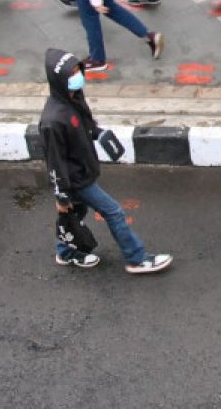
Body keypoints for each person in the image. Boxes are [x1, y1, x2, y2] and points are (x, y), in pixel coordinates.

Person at [40, 47, 172, 274]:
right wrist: (61, 196)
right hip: (76, 180)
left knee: (76, 213)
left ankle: (66, 252)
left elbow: (85, 123)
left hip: (83, 172)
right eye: (70, 75)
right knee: (113, 212)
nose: (76, 77)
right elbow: (55, 162)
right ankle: (136, 258)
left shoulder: (73, 98)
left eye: (77, 71)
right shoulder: (53, 121)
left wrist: (98, 133)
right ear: (59, 79)